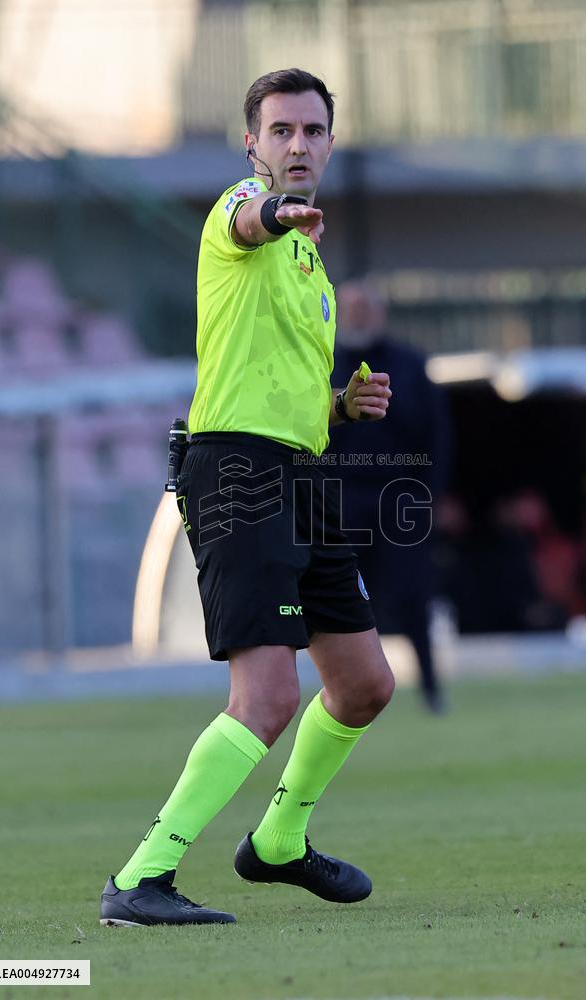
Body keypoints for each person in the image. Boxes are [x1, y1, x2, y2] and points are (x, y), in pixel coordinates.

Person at [100, 68, 395, 927]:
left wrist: (342, 405)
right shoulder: (246, 214)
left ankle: (276, 844)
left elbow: (275, 377)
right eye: (281, 131)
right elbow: (246, 219)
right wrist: (275, 214)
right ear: (252, 144)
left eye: (312, 131)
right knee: (266, 699)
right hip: (235, 471)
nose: (297, 145)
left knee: (365, 685)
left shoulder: (312, 268)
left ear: (331, 143)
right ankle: (141, 878)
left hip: (299, 473)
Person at [329, 279, 451, 712]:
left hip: (399, 502)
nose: (358, 316)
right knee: (341, 601)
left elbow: (435, 437)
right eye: (351, 308)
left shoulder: (409, 365)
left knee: (412, 596)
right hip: (339, 503)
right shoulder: (320, 363)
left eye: (366, 308)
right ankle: (347, 692)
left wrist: (427, 498)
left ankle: (432, 690)